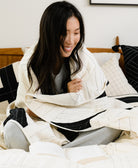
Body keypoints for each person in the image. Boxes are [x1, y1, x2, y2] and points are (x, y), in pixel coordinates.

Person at [3, 1, 121, 152]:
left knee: (115, 122)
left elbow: (96, 98)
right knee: (13, 129)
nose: (70, 40)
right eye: (64, 33)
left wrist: (76, 99)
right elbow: (29, 109)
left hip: (74, 119)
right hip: (40, 121)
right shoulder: (30, 63)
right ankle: (68, 148)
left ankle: (61, 150)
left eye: (76, 33)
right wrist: (66, 96)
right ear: (49, 32)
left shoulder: (82, 57)